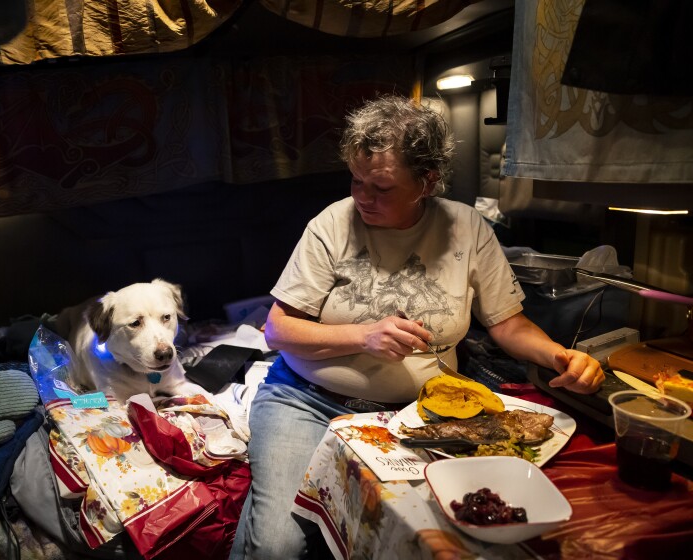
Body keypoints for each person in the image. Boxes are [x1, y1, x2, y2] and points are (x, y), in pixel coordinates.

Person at [229, 94, 604, 559]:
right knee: (277, 547)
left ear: (427, 181)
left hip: (418, 416)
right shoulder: (331, 224)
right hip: (307, 399)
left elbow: (509, 325)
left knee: (444, 538)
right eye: (356, 179)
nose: (361, 196)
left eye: (381, 187)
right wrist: (363, 335)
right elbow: (277, 332)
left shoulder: (467, 228)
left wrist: (558, 356)